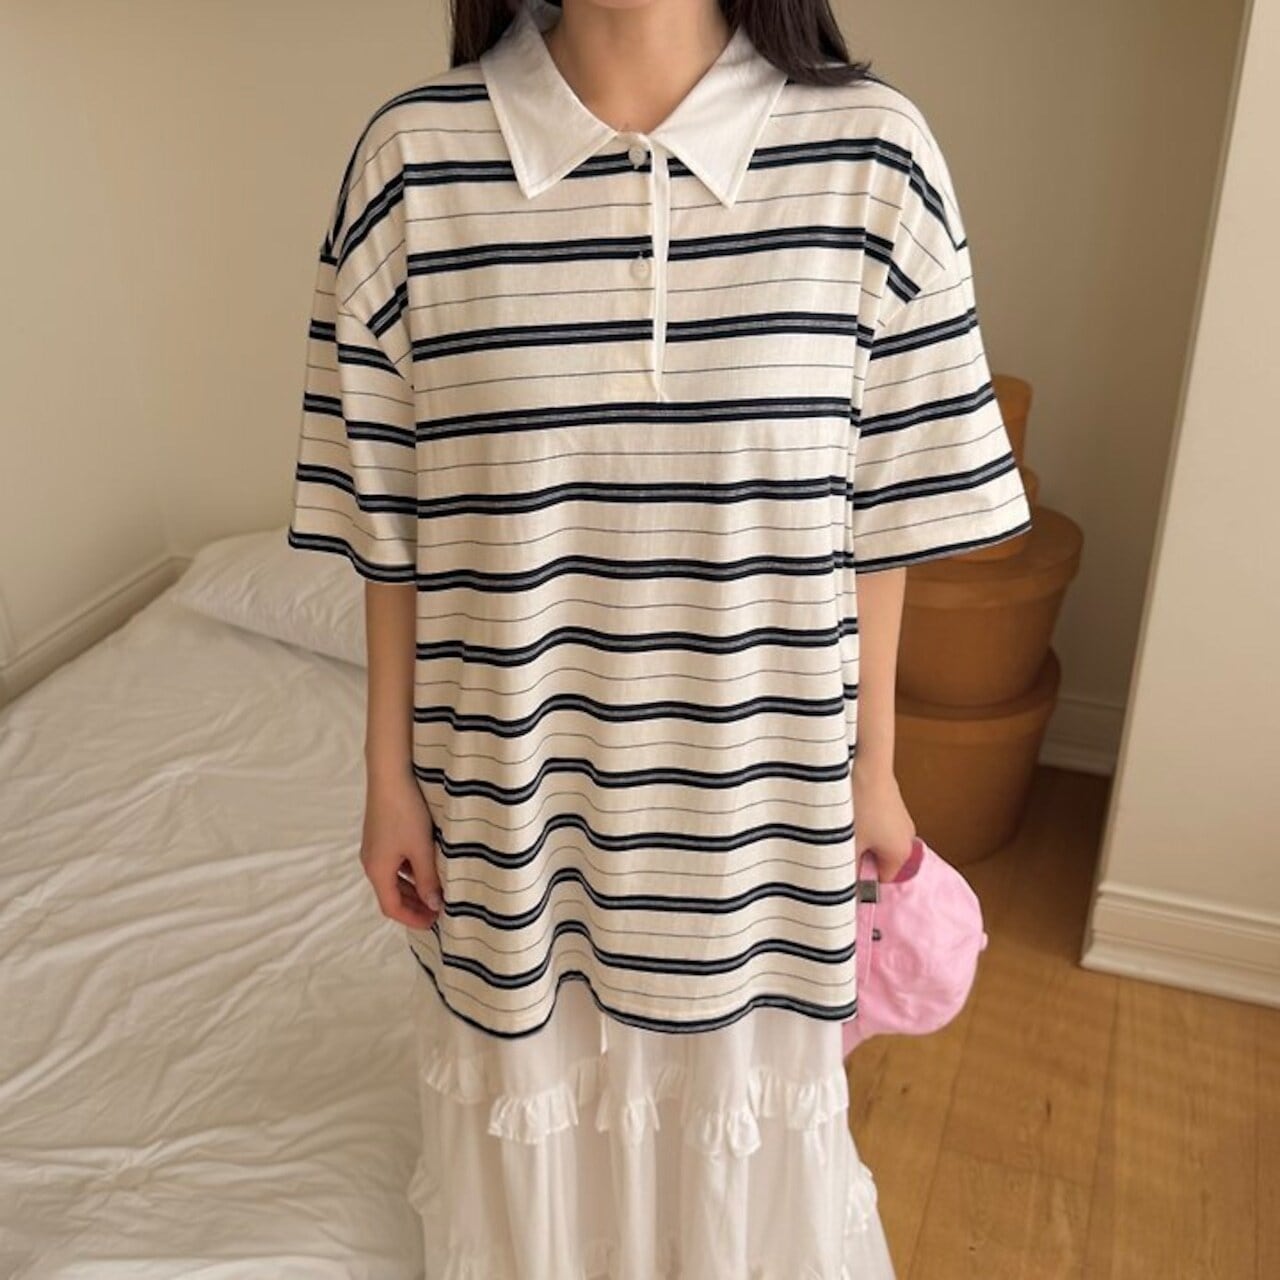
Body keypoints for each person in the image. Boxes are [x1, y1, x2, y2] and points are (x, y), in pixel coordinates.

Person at [287, 0, 1032, 1274]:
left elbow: (882, 521)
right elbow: (387, 520)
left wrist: (872, 770)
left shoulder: (873, 157)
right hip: (514, 809)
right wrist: (385, 776)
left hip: (758, 815)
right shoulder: (412, 164)